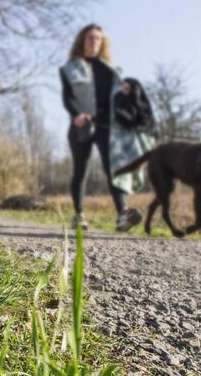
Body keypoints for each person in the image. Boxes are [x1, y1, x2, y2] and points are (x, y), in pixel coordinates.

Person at [60, 24, 144, 231]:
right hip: (81, 126)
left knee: (113, 169)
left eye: (98, 38)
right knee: (81, 170)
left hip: (105, 125)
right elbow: (67, 97)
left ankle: (122, 214)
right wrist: (76, 114)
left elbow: (115, 101)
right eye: (90, 37)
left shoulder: (110, 70)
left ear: (102, 42)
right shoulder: (69, 69)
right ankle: (79, 215)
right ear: (82, 40)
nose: (94, 41)